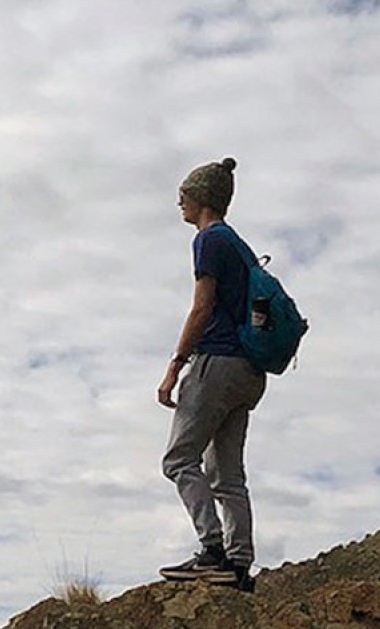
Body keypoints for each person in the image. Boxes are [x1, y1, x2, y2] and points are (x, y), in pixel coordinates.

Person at [156, 157, 266, 592]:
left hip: (216, 362)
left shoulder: (208, 241)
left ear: (201, 198)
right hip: (249, 370)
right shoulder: (239, 245)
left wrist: (175, 365)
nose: (178, 202)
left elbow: (202, 307)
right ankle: (237, 567)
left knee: (179, 458)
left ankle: (212, 550)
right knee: (227, 473)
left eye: (183, 194)